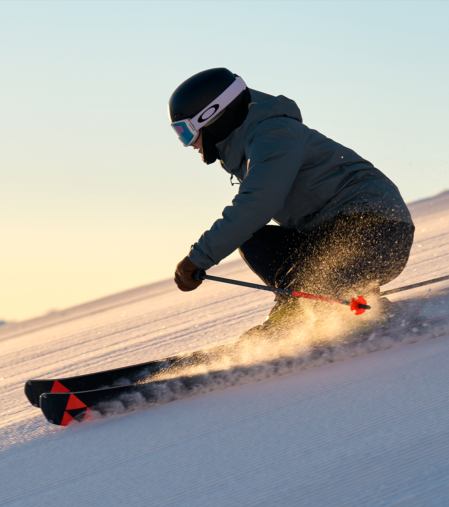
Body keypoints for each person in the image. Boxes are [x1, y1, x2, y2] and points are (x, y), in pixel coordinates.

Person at [170, 68, 414, 333]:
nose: (189, 144)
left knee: (317, 275)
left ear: (213, 115)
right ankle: (297, 307)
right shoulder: (253, 145)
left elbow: (257, 204)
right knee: (256, 241)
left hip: (377, 229)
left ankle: (361, 316)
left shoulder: (273, 135)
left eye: (186, 132)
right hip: (332, 233)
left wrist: (199, 258)